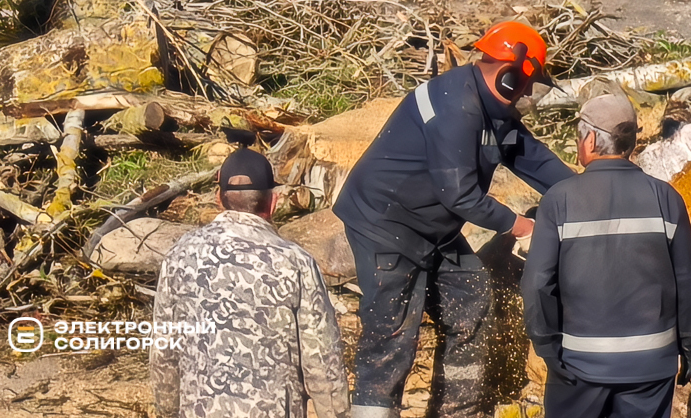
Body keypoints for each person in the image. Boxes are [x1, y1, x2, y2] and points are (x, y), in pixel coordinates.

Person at [333, 21, 575, 418]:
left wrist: (587, 194)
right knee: (392, 332)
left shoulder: (492, 108)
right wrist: (519, 225)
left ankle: (455, 410)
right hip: (386, 224)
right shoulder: (456, 107)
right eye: (529, 82)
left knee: (471, 295)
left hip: (432, 226)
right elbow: (459, 193)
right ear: (511, 73)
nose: (530, 92)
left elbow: (531, 157)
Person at [522, 94, 691, 418]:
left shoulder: (559, 200)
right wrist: (690, 347)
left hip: (577, 366)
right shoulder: (666, 197)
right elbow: (688, 281)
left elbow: (537, 283)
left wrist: (547, 348)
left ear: (590, 139)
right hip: (651, 367)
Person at [150, 146, 350, 418]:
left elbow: (164, 348)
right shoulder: (295, 262)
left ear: (220, 199)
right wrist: (335, 413)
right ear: (273, 202)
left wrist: (168, 411)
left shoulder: (180, 256)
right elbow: (322, 359)